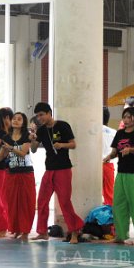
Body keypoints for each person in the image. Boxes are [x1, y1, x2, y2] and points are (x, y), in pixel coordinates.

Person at [30, 102, 84, 244]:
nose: (40, 118)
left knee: (65, 202)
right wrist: (33, 139)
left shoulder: (63, 125)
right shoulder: (41, 131)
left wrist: (62, 145)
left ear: (49, 113)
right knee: (42, 200)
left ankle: (74, 232)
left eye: (42, 115)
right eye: (37, 116)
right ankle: (42, 232)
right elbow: (34, 150)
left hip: (63, 169)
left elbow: (73, 144)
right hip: (49, 169)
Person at [104, 107, 134, 245]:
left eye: (129, 117)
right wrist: (108, 157)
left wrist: (130, 149)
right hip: (121, 173)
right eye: (125, 117)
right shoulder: (119, 133)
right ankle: (120, 235)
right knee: (118, 204)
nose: (126, 120)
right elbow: (114, 151)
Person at [2, 112, 36, 241]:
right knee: (11, 202)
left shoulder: (27, 136)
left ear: (23, 122)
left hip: (26, 172)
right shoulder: (6, 137)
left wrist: (10, 148)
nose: (16, 121)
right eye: (14, 119)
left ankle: (25, 231)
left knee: (26, 202)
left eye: (19, 119)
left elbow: (23, 153)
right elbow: (3, 155)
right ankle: (15, 229)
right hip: (11, 172)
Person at [101, 106, 117, 206]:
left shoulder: (92, 131)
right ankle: (111, 218)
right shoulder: (114, 132)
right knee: (109, 195)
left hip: (94, 166)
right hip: (108, 165)